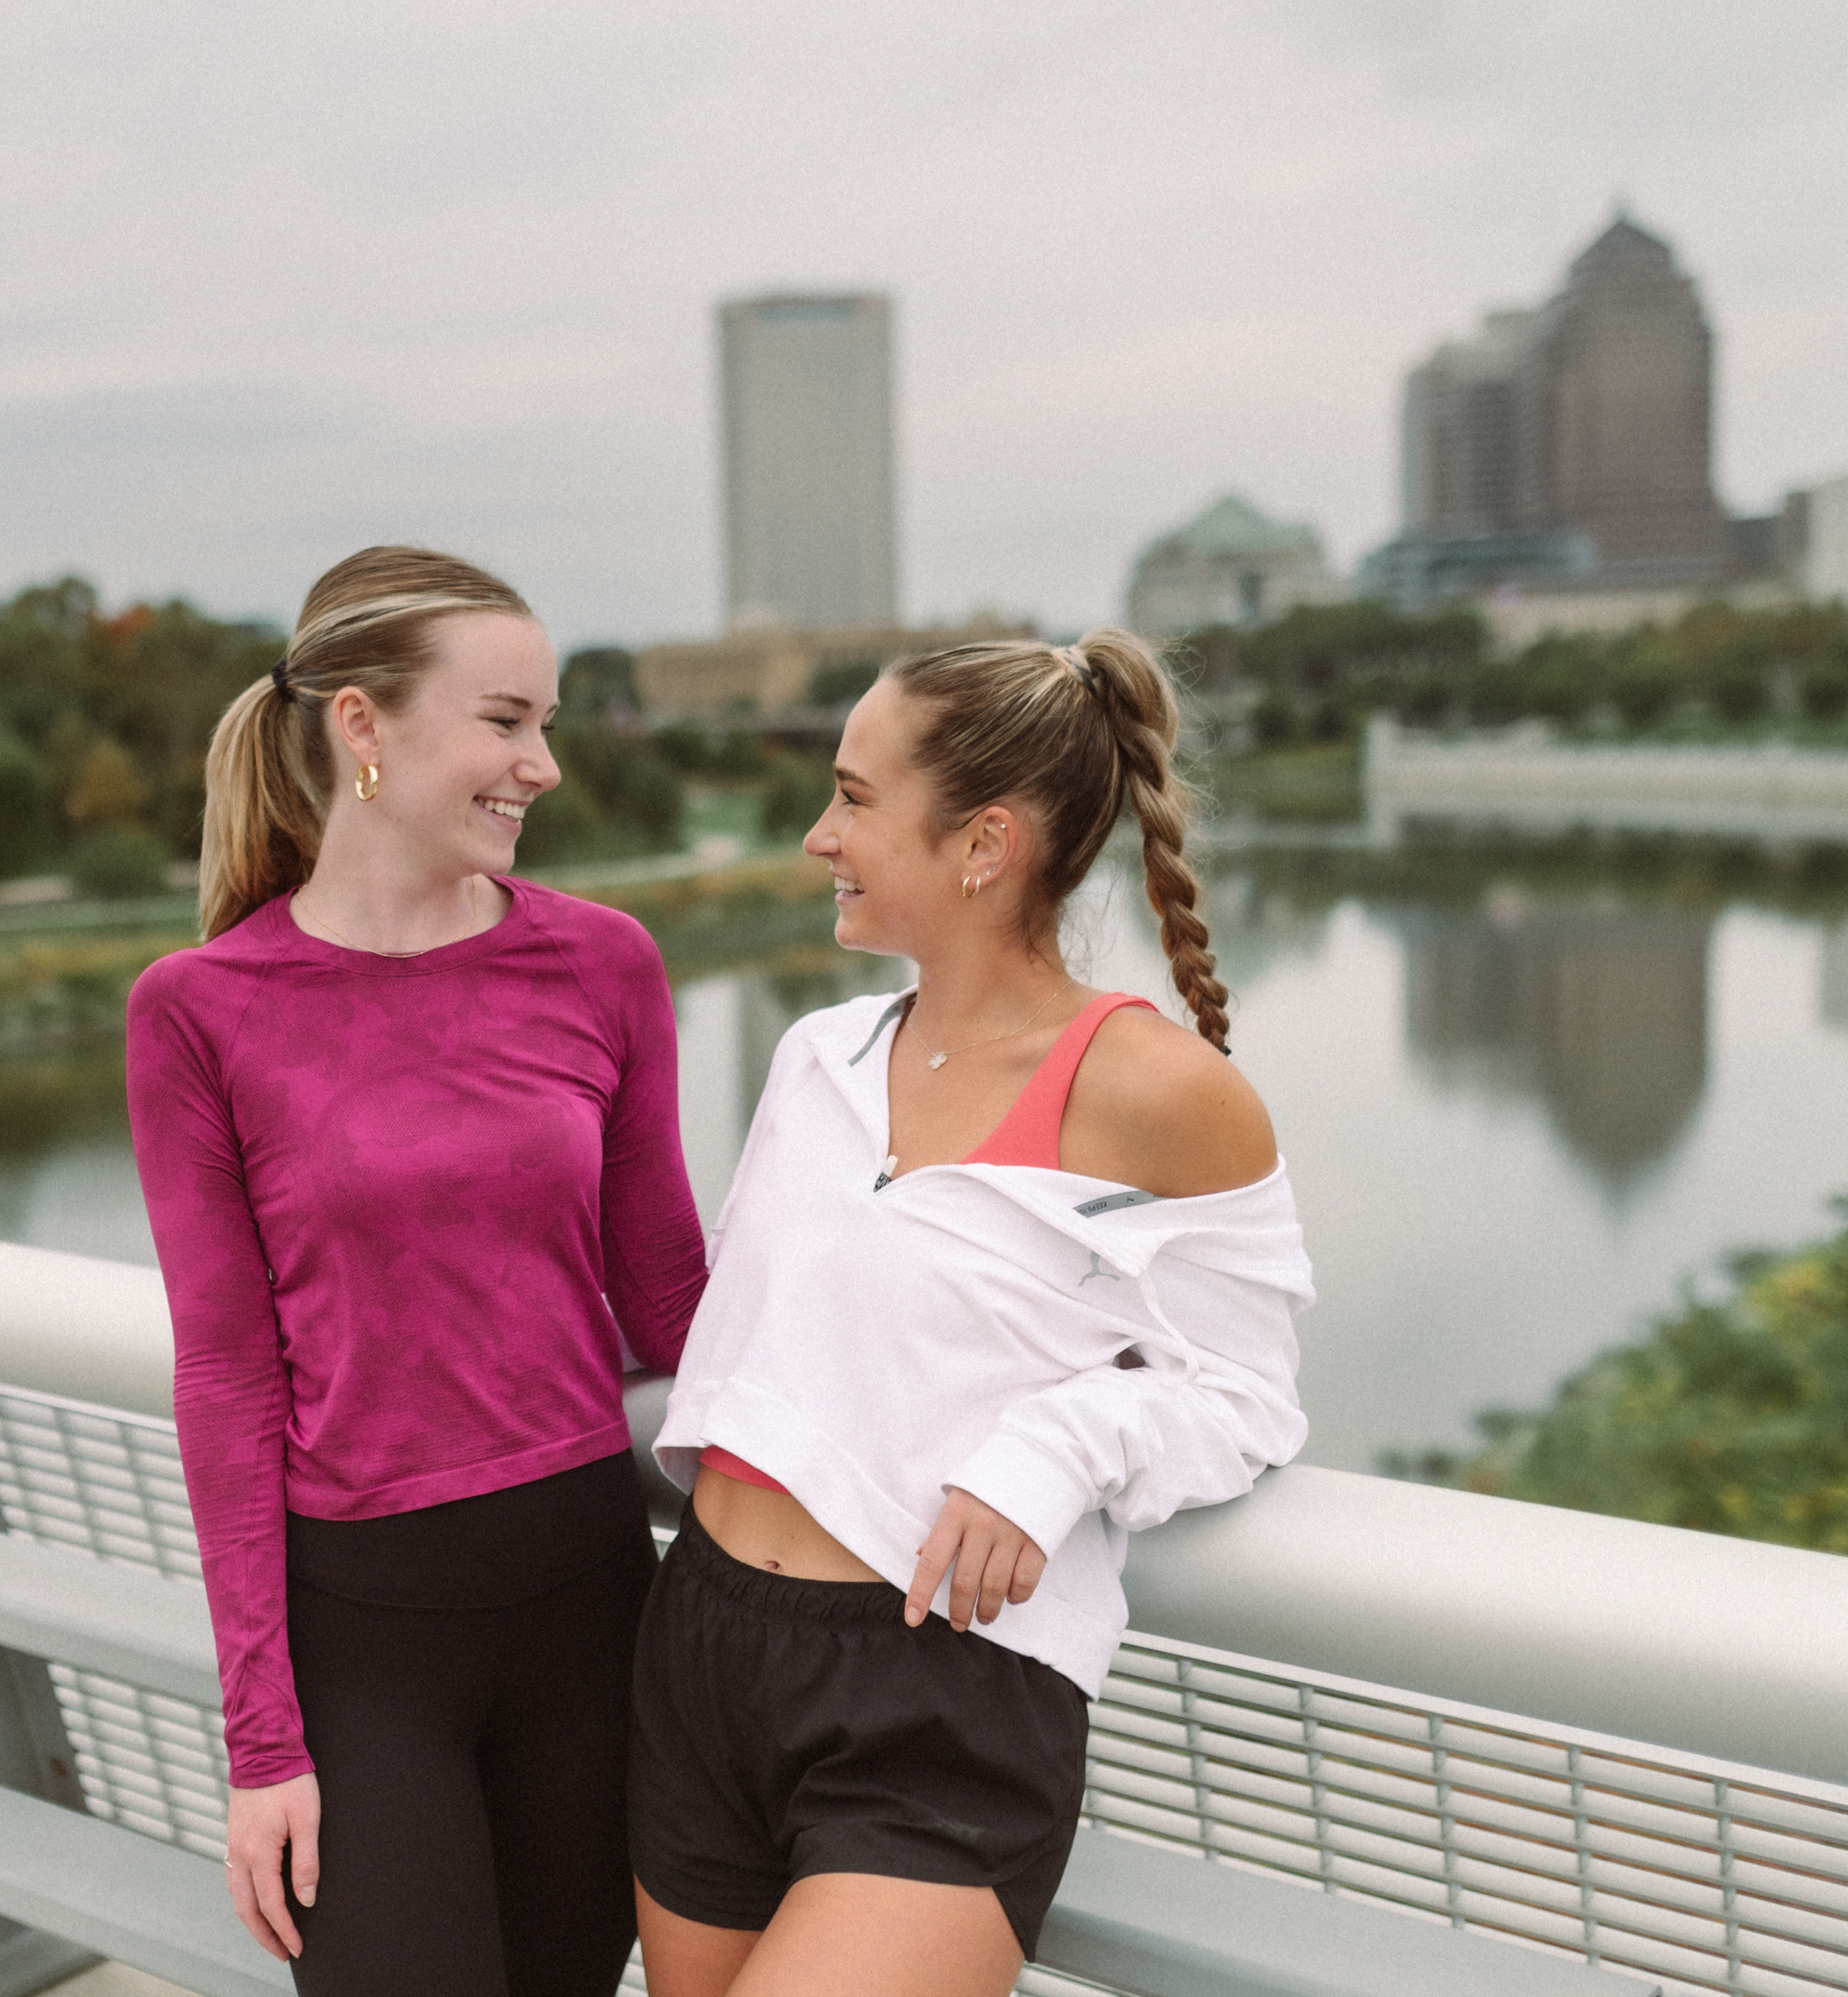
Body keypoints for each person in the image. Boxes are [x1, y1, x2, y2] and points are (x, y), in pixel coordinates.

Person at [632, 631, 1311, 1997]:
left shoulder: (1164, 1093)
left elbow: (1250, 1397)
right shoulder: (816, 1057)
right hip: (700, 1649)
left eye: (856, 799)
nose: (822, 836)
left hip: (939, 1694)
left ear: (984, 843)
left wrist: (1054, 1452)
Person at [126, 546, 710, 1996]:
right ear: (362, 725)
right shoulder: (198, 1012)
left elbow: (676, 1306)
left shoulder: (604, 965)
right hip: (362, 1641)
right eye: (507, 721)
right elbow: (226, 1374)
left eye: (548, 725)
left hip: (588, 1601)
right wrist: (262, 1742)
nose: (545, 766)